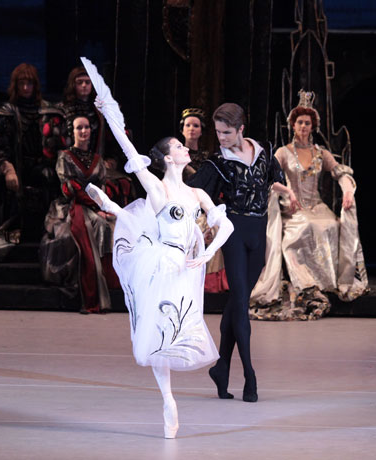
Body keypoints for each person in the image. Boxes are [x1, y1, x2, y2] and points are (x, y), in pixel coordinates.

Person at [81, 57, 233, 439]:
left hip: (188, 265)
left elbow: (225, 223)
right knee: (157, 333)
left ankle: (110, 207)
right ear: (168, 157)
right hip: (163, 261)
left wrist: (206, 251)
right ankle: (168, 398)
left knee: (181, 330)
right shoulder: (158, 187)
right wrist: (109, 116)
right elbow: (129, 148)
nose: (186, 148)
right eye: (180, 145)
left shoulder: (197, 191)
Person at [188, 102, 286, 403]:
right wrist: (200, 224)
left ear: (241, 129)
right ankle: (250, 375)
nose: (221, 138)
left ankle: (221, 367)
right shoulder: (218, 163)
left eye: (227, 132)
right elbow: (193, 192)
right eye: (217, 132)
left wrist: (289, 192)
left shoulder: (264, 151)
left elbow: (275, 179)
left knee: (236, 303)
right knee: (241, 304)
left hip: (259, 234)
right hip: (233, 235)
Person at [250, 90, 369, 321]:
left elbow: (339, 172)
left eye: (307, 122)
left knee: (332, 225)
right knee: (303, 229)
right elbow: (268, 179)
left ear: (312, 126)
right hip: (294, 209)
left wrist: (347, 189)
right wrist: (286, 192)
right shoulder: (283, 153)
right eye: (299, 122)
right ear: (293, 125)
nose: (303, 126)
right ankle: (305, 283)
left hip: (316, 205)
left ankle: (329, 283)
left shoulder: (320, 153)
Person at [40, 115, 118, 314]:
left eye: (86, 128)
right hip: (71, 206)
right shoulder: (64, 156)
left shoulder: (98, 160)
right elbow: (70, 188)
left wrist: (103, 206)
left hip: (95, 206)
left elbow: (101, 189)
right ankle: (90, 291)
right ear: (72, 132)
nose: (83, 131)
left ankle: (111, 285)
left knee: (112, 225)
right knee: (80, 233)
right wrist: (95, 205)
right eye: (78, 128)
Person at [0, 63, 56, 257]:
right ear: (16, 85)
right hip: (13, 165)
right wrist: (7, 168)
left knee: (48, 175)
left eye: (30, 83)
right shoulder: (7, 112)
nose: (26, 88)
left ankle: (47, 228)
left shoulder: (46, 111)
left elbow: (55, 146)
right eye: (22, 83)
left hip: (37, 165)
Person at [44, 66, 134, 206]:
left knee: (124, 183)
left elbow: (117, 138)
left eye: (88, 82)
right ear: (72, 85)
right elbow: (50, 145)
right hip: (69, 167)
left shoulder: (101, 110)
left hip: (97, 166)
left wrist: (112, 160)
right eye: (80, 82)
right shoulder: (60, 111)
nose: (84, 86)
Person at [178, 107, 228, 293]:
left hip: (206, 208)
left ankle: (210, 283)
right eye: (188, 125)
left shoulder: (209, 158)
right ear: (182, 129)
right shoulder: (176, 155)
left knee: (217, 227)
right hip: (182, 208)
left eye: (196, 125)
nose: (191, 129)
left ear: (201, 130)